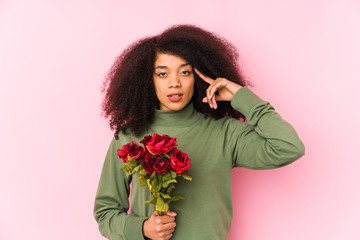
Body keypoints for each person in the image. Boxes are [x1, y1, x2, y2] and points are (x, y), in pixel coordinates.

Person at [94, 24, 305, 240]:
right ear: (148, 80)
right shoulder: (129, 137)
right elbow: (105, 212)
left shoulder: (225, 132)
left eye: (185, 72)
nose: (174, 83)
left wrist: (242, 97)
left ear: (199, 77)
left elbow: (288, 147)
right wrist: (142, 228)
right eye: (162, 74)